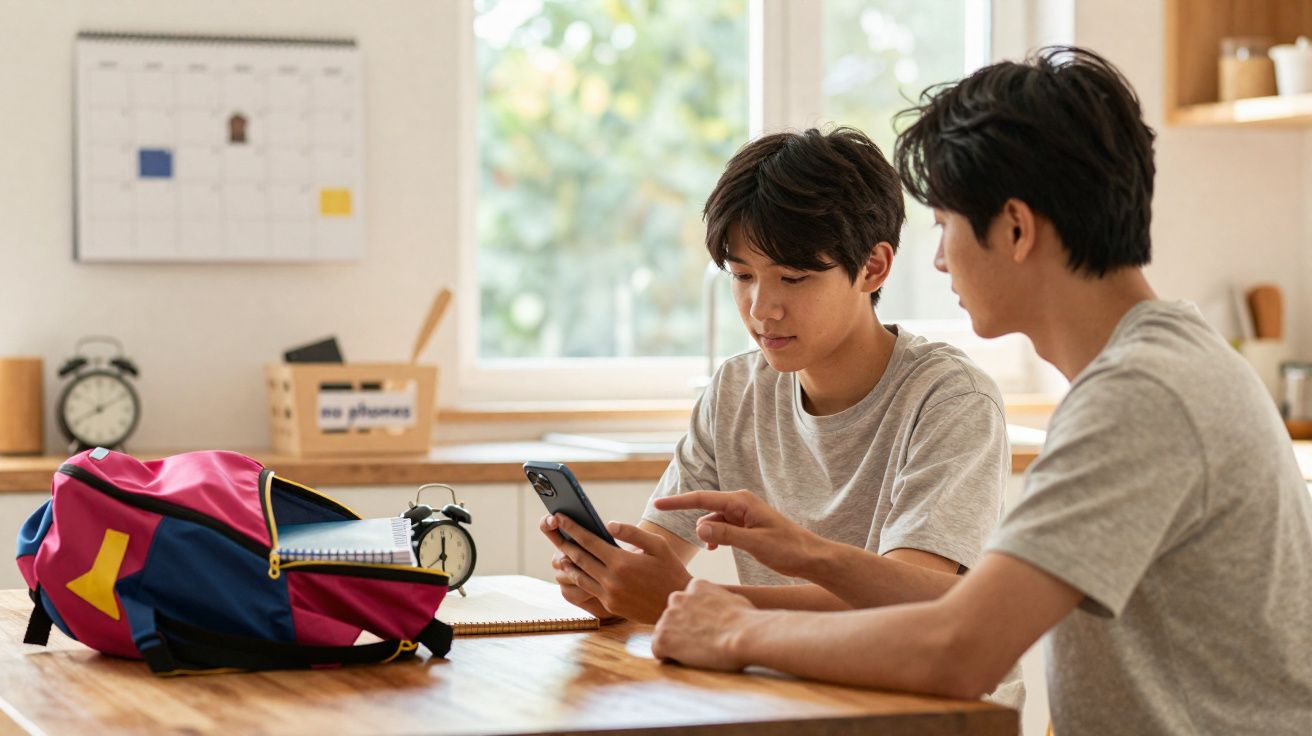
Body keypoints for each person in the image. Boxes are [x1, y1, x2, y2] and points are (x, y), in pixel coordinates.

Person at [649, 46, 1312, 735]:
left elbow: (959, 648)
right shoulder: (1153, 370)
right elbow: (963, 624)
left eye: (945, 227)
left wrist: (735, 633)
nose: (938, 260)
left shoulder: (1144, 395)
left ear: (1016, 229)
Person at [541, 126, 1022, 706]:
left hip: (934, 714)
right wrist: (608, 580)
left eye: (793, 277)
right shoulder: (737, 389)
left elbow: (923, 602)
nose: (761, 309)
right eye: (742, 276)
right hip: (788, 701)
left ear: (873, 267)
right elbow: (656, 558)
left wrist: (690, 602)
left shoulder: (950, 398)